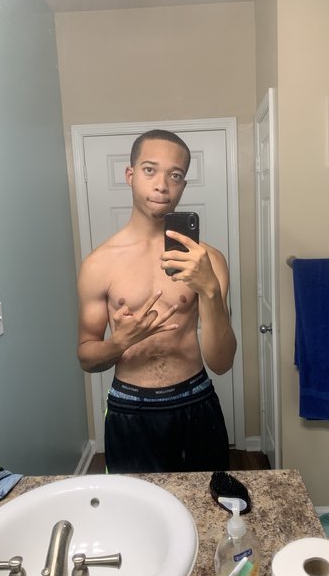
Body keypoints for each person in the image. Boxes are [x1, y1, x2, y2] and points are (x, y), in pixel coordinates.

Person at [77, 129, 236, 473]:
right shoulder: (98, 264)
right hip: (129, 411)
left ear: (183, 185)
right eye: (150, 170)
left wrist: (209, 290)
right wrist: (119, 342)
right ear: (130, 175)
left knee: (207, 504)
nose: (162, 184)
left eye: (174, 175)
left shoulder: (208, 260)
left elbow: (222, 362)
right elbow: (86, 358)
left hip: (196, 402)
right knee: (134, 507)